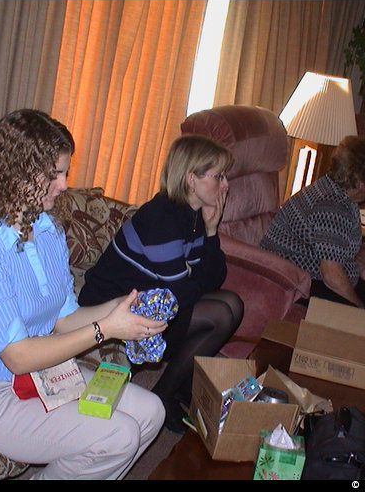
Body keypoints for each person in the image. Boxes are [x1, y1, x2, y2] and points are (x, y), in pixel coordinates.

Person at [0, 109, 166, 480]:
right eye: (53, 174)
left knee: (152, 411)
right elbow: (18, 356)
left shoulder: (46, 231)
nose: (63, 185)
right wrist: (106, 329)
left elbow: (64, 318)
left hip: (40, 377)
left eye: (65, 173)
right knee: (118, 435)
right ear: (17, 174)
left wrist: (124, 308)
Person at [78, 134, 243, 433]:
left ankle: (174, 387)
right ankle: (164, 395)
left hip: (153, 298)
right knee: (222, 311)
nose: (225, 185)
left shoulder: (192, 217)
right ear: (191, 179)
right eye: (218, 176)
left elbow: (213, 277)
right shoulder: (162, 218)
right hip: (109, 305)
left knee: (231, 303)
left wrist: (210, 230)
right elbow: (185, 291)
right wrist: (197, 276)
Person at [260, 135, 365, 313]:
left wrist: (359, 269)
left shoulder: (337, 193)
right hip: (291, 280)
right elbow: (331, 275)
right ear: (359, 182)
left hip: (309, 272)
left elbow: (327, 252)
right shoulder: (332, 206)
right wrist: (361, 314)